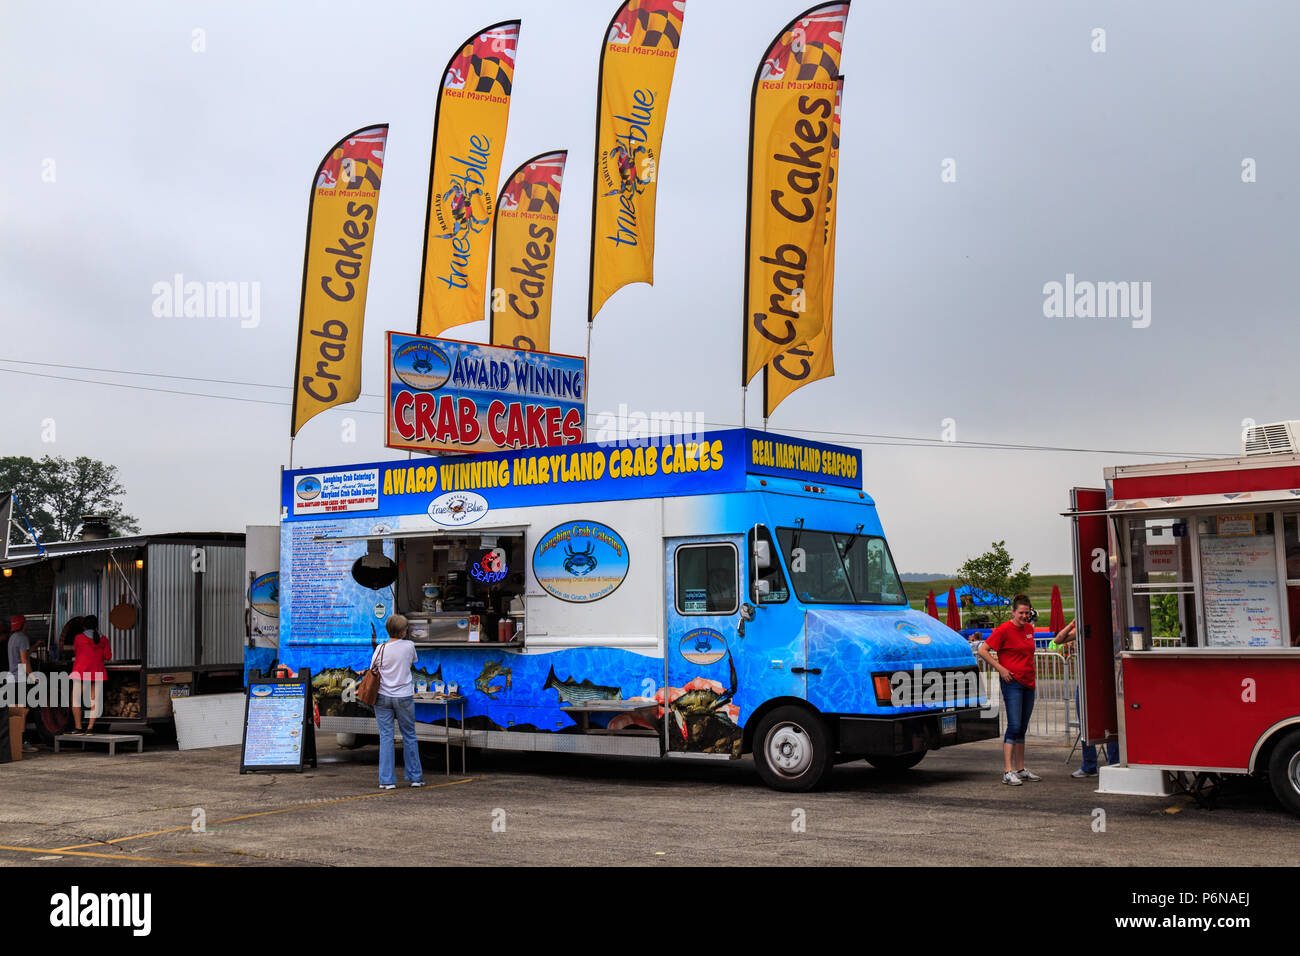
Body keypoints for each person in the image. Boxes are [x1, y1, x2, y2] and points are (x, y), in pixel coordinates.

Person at [977, 595, 1041, 785]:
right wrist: (1001, 669)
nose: (1024, 616)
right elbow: (983, 650)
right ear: (1013, 612)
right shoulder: (1005, 629)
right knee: (1013, 725)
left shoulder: (1029, 629)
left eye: (1027, 613)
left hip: (1029, 682)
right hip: (1012, 682)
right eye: (1021, 612)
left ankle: (1020, 769)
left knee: (1022, 726)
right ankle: (1007, 771)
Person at [1052, 619, 1120, 777]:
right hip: (1084, 681)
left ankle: (1114, 763)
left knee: (1110, 722)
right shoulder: (1081, 631)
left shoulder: (1108, 631)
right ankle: (1089, 765)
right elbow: (1058, 640)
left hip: (1103, 679)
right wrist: (1072, 624)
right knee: (1084, 723)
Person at [369, 614, 423, 789]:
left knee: (386, 737)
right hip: (404, 696)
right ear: (402, 631)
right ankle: (415, 778)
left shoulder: (381, 648)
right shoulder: (409, 646)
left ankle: (387, 780)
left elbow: (373, 669)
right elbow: (413, 662)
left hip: (383, 696)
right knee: (409, 736)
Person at [71, 615, 112, 735]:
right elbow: (108, 657)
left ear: (84, 626)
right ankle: (90, 728)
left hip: (81, 672)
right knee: (94, 700)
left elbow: (76, 651)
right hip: (97, 672)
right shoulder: (104, 639)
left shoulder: (79, 638)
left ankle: (78, 728)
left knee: (76, 700)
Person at [6, 615, 37, 753]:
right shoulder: (23, 638)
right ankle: (22, 741)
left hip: (11, 678)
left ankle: (13, 741)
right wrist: (33, 676)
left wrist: (35, 647)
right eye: (26, 623)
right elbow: (24, 660)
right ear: (23, 624)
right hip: (20, 678)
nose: (28, 625)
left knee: (15, 711)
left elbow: (21, 655)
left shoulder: (12, 638)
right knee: (23, 711)